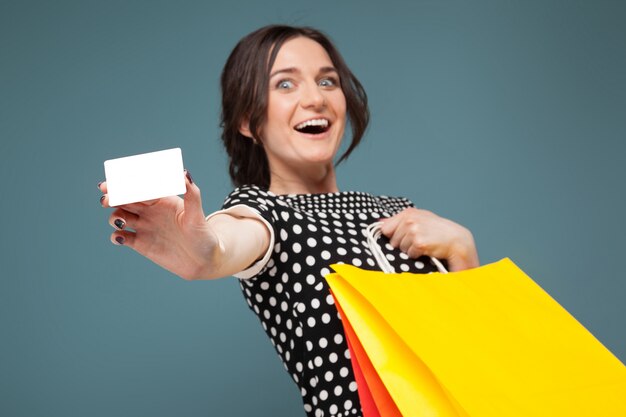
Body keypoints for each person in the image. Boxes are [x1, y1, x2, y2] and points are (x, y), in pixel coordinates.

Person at [99, 25, 479, 417]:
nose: (315, 98)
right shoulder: (265, 212)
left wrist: (463, 253)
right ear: (248, 120)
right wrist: (206, 252)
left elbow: (474, 359)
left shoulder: (400, 211)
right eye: (285, 85)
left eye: (327, 81)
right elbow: (227, 242)